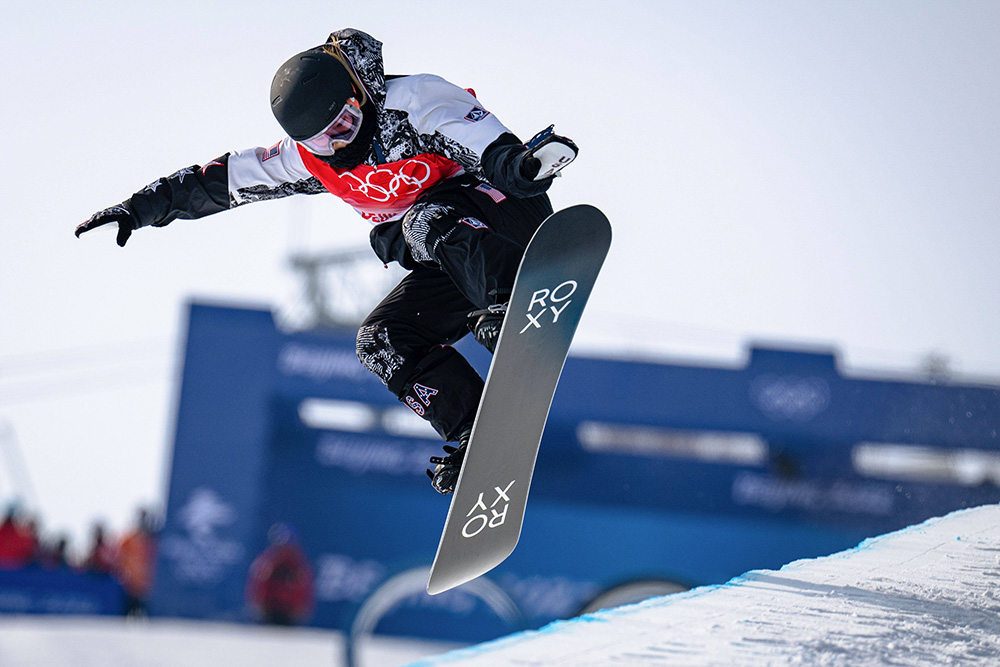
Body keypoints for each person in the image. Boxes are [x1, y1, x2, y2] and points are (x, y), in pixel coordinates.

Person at [75, 29, 578, 495]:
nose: (338, 142)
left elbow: (481, 141)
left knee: (421, 223)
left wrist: (519, 165)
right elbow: (218, 181)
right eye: (322, 138)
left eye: (346, 122)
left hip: (504, 217)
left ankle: (511, 300)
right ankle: (476, 428)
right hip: (451, 256)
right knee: (380, 340)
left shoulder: (413, 100)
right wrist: (139, 208)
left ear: (358, 96)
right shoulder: (308, 160)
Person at [245, 523, 315, 626]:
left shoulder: (298, 565)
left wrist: (302, 608)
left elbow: (305, 587)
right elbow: (259, 584)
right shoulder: (267, 562)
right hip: (270, 611)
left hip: (289, 612)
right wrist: (258, 605)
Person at [115, 508, 157, 616]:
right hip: (129, 586)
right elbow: (118, 557)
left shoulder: (153, 541)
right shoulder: (129, 539)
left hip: (147, 587)